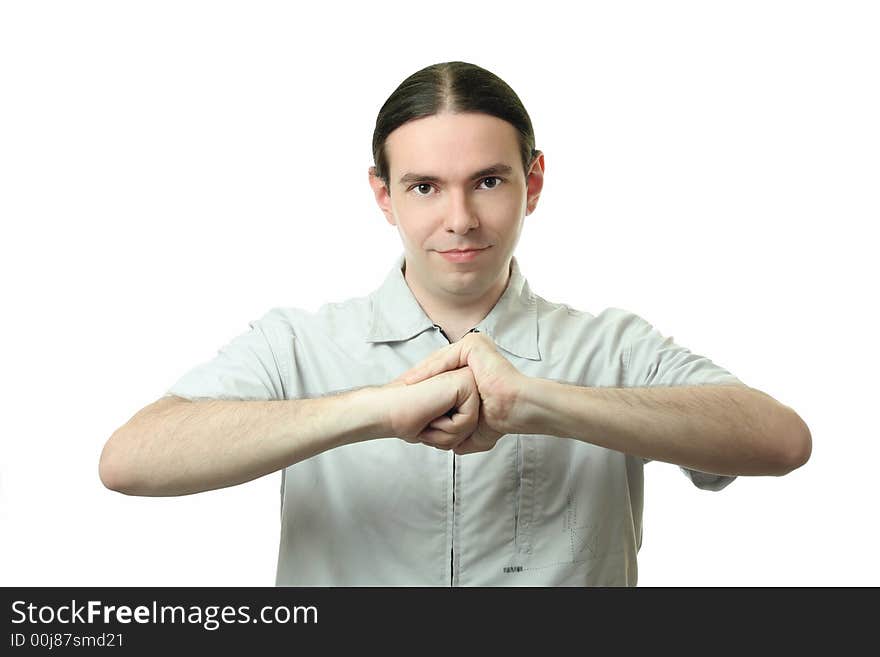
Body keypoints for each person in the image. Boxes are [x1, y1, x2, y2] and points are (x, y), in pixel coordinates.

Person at [99, 61, 811, 586]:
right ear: (384, 195)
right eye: (425, 187)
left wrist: (535, 401)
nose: (460, 218)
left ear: (533, 182)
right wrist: (375, 408)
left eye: (489, 181)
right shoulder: (296, 345)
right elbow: (129, 460)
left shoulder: (613, 348)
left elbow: (782, 440)